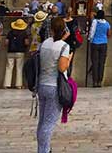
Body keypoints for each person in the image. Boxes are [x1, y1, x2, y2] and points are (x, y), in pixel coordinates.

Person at [36, 17, 71, 153]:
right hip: (54, 87)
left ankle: (42, 149)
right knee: (49, 123)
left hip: (42, 85)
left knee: (42, 122)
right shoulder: (63, 46)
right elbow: (62, 68)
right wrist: (69, 59)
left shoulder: (45, 43)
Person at [88, 9, 110, 87]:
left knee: (95, 63)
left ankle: (94, 81)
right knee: (101, 63)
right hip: (104, 43)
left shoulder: (95, 22)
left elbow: (92, 32)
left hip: (95, 43)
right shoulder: (107, 23)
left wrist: (90, 39)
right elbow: (109, 33)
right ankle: (99, 81)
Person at [4, 18, 29, 89]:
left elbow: (6, 42)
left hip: (10, 52)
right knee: (19, 68)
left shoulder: (10, 32)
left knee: (9, 68)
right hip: (20, 52)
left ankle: (7, 84)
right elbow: (26, 42)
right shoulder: (24, 33)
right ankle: (18, 85)